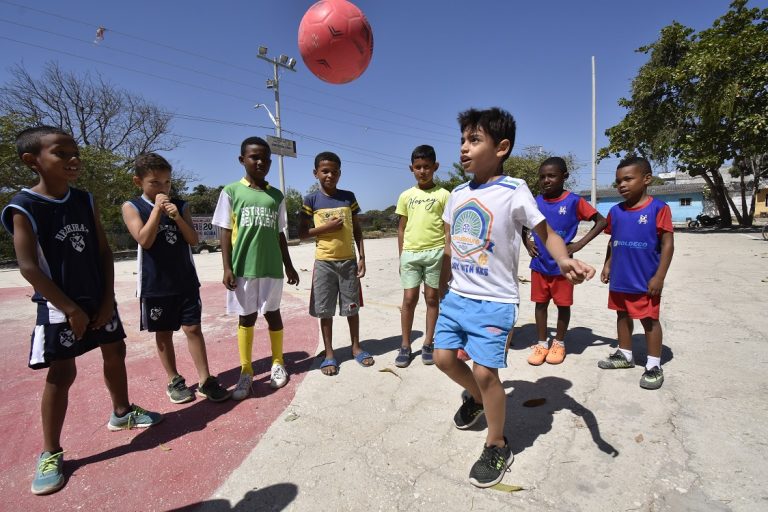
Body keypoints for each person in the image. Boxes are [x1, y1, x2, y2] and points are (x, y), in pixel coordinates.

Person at [433, 108, 595, 488]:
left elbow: (546, 232)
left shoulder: (514, 190)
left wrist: (564, 258)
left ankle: (497, 442)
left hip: (495, 301)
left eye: (474, 140)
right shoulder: (456, 193)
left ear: (502, 147)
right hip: (457, 296)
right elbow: (448, 243)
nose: (464, 148)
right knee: (442, 359)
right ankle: (476, 400)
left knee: (487, 373)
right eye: (462, 140)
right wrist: (442, 287)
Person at [1, 126, 162, 496]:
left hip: (97, 297)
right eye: (61, 153)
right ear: (32, 161)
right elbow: (28, 267)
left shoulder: (85, 199)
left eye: (75, 153)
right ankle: (50, 451)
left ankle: (121, 412)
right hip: (59, 305)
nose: (73, 159)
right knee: (62, 372)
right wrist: (69, 307)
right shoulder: (23, 206)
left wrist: (106, 299)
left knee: (115, 351)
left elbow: (104, 252)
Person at [121, 153, 231, 403]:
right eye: (155, 183)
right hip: (156, 284)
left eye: (167, 182)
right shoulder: (131, 206)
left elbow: (193, 240)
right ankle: (174, 379)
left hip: (185, 280)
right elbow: (144, 240)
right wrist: (157, 211)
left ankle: (205, 379)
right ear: (138, 182)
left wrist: (177, 217)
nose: (163, 188)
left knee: (193, 328)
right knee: (163, 333)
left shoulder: (180, 205)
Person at [212, 136, 300, 400]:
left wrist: (290, 265)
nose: (260, 162)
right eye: (254, 157)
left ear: (271, 162)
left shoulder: (276, 195)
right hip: (243, 268)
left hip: (272, 267)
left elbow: (280, 233)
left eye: (265, 158)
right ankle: (246, 371)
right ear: (242, 160)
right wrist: (227, 266)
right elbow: (225, 231)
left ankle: (277, 363)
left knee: (273, 313)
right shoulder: (231, 191)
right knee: (246, 317)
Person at [522, 157, 607, 365]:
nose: (546, 180)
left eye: (551, 175)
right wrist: (527, 242)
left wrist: (578, 245)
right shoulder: (536, 201)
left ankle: (558, 343)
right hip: (540, 265)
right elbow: (523, 224)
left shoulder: (574, 201)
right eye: (542, 177)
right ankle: (542, 343)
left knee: (562, 305)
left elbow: (601, 221)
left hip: (563, 268)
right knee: (540, 305)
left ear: (564, 176)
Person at [599, 156, 674, 390]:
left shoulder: (658, 208)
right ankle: (625, 354)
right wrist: (607, 264)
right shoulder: (616, 211)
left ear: (647, 179)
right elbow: (613, 241)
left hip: (645, 279)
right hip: (621, 277)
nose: (622, 185)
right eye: (618, 181)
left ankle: (653, 365)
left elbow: (668, 245)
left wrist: (659, 276)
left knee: (649, 320)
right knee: (622, 315)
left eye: (628, 179)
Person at [299, 151, 371, 376]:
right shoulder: (310, 200)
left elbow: (357, 230)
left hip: (348, 262)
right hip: (324, 264)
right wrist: (326, 228)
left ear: (340, 173)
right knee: (325, 310)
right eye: (325, 171)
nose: (330, 175)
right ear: (315, 173)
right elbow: (302, 233)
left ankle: (356, 347)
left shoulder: (348, 197)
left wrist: (362, 257)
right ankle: (329, 353)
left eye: (334, 171)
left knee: (352, 308)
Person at [394, 144, 450, 367]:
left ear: (435, 167)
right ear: (411, 168)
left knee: (431, 298)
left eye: (427, 166)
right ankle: (405, 345)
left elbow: (448, 230)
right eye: (418, 167)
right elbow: (401, 228)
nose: (422, 171)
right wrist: (401, 256)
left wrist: (447, 258)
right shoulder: (406, 196)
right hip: (411, 254)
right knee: (409, 299)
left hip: (436, 253)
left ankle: (428, 342)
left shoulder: (444, 195)